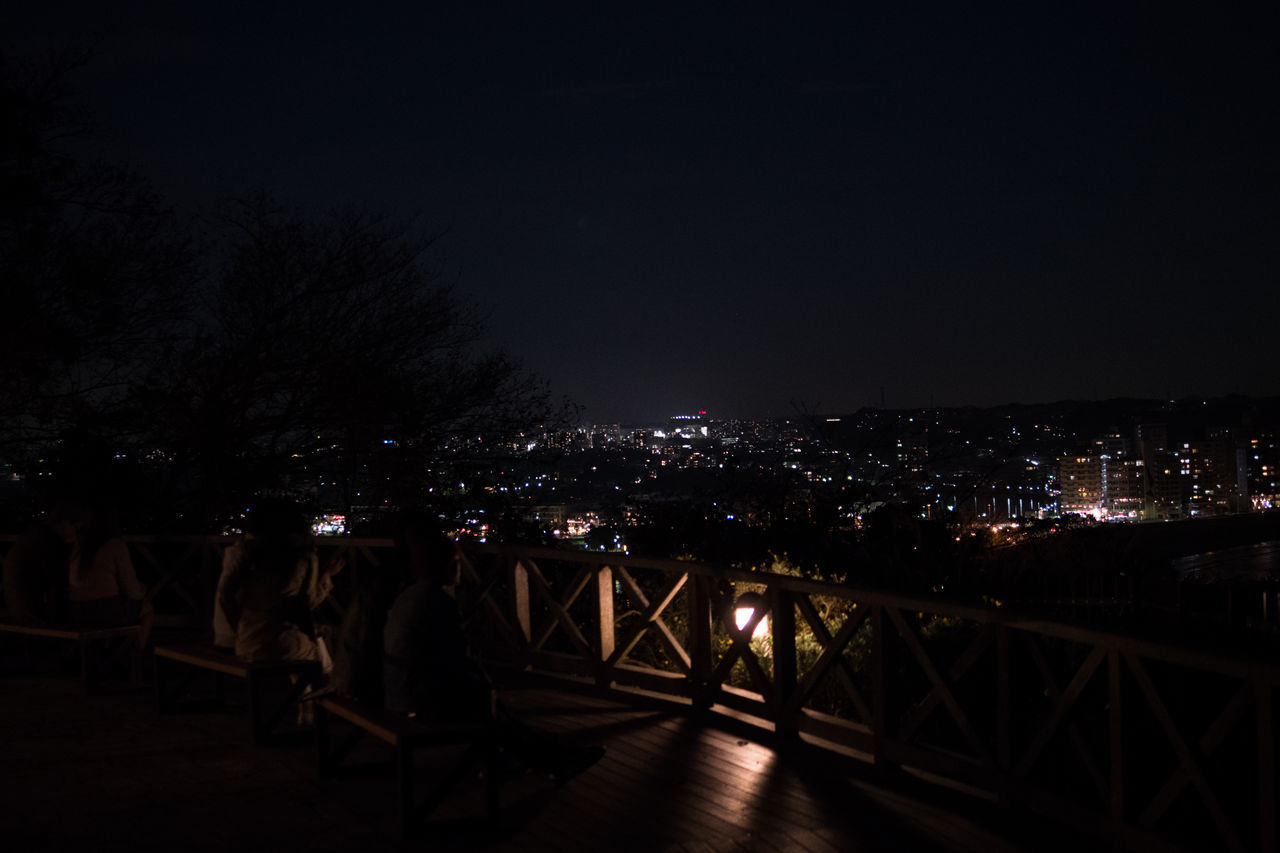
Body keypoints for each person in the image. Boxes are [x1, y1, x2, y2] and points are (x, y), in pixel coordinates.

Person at [382, 515, 604, 781]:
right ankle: (554, 757)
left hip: (401, 692)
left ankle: (547, 754)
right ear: (444, 566)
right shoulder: (437, 602)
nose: (461, 568)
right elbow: (458, 657)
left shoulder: (410, 596)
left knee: (498, 713)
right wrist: (486, 687)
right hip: (421, 700)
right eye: (456, 563)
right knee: (492, 712)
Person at [217, 499, 343, 669]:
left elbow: (226, 596)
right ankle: (316, 692)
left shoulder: (251, 554)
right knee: (322, 654)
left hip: (245, 641)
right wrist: (327, 575)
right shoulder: (303, 557)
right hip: (276, 642)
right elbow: (307, 602)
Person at [65, 506, 153, 646]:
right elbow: (132, 589)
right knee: (147, 610)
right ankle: (135, 654)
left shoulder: (80, 545)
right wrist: (141, 590)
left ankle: (110, 653)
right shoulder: (115, 545)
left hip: (77, 610)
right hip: (106, 610)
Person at [1, 506, 73, 626]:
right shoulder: (46, 541)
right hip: (32, 614)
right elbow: (56, 582)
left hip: (18, 607)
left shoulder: (34, 538)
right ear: (63, 522)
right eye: (75, 526)